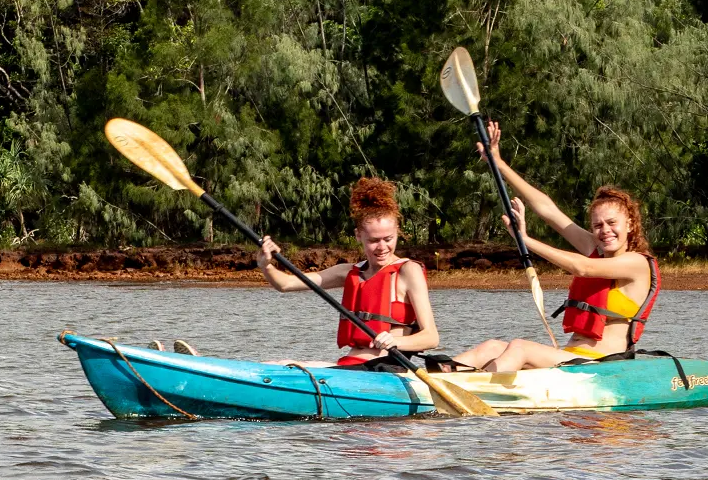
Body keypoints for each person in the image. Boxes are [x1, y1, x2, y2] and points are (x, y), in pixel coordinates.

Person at [454, 122, 660, 373]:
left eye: (612, 223)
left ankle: (476, 391)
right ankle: (427, 382)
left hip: (602, 367)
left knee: (520, 347)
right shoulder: (594, 247)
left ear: (630, 223)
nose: (605, 231)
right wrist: (498, 163)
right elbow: (548, 210)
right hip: (569, 358)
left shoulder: (637, 263)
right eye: (598, 225)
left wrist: (525, 240)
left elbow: (583, 268)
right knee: (491, 347)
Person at [256, 177, 440, 368]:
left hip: (385, 369)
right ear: (358, 235)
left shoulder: (408, 271)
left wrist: (397, 342)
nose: (382, 247)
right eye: (374, 240)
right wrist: (266, 265)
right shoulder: (348, 272)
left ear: (397, 232)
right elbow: (286, 284)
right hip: (350, 366)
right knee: (276, 365)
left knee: (289, 365)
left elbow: (431, 337)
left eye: (388, 238)